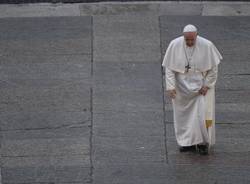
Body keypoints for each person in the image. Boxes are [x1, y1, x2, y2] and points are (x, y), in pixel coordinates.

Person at [162, 24, 222, 155]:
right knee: (183, 116)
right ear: (183, 37)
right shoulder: (175, 44)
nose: (189, 42)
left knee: (202, 115)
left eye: (192, 40)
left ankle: (202, 143)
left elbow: (213, 69)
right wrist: (171, 87)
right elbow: (170, 69)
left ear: (196, 36)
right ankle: (186, 142)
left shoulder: (207, 45)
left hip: (202, 87)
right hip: (182, 87)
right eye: (187, 40)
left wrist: (207, 85)